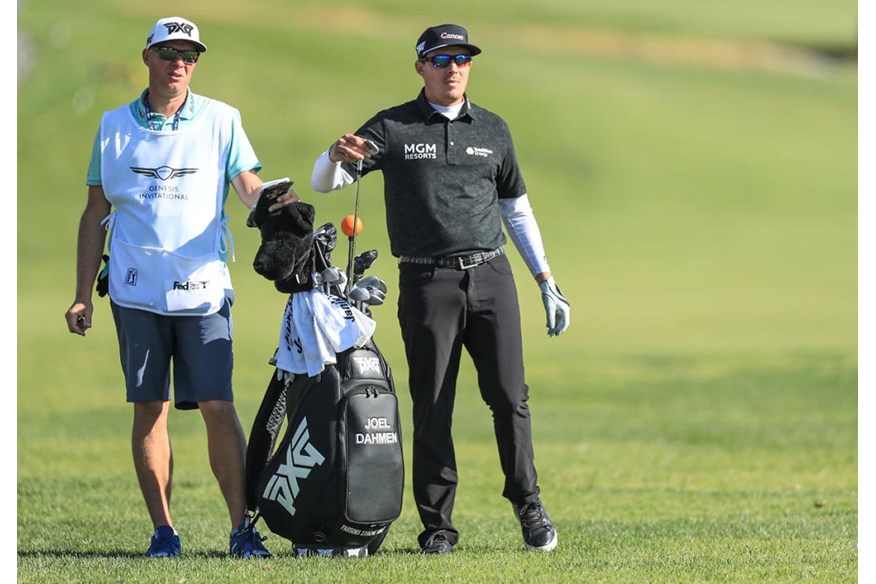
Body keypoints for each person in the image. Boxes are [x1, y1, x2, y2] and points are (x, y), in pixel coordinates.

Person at [310, 23, 571, 554]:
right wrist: (334, 156)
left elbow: (515, 210)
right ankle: (438, 527)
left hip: (492, 275)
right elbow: (327, 182)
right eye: (442, 59)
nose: (454, 68)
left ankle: (528, 503)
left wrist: (546, 280)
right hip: (428, 281)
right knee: (433, 403)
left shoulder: (493, 129)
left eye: (462, 59)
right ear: (421, 67)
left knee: (510, 397)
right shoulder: (394, 126)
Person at [64, 16, 296, 559]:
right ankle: (164, 532)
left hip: (203, 287)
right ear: (147, 57)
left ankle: (242, 530)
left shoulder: (221, 119)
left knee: (218, 404)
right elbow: (95, 210)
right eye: (169, 51)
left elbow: (246, 184)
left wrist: (274, 204)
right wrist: (80, 293)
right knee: (150, 408)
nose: (180, 62)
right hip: (133, 287)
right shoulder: (112, 125)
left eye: (190, 54)